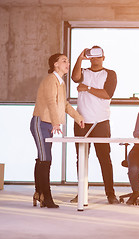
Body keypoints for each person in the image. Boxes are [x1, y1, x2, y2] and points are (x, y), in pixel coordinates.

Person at [30, 53, 84, 208]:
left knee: (44, 158)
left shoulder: (60, 83)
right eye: (64, 61)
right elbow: (51, 103)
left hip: (49, 124)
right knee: (45, 158)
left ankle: (39, 193)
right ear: (55, 64)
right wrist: (56, 123)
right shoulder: (50, 80)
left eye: (67, 61)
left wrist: (78, 117)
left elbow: (64, 104)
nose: (67, 63)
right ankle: (46, 198)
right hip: (40, 123)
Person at [71, 46, 119, 204]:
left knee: (104, 158)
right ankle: (82, 192)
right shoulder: (84, 72)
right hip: (82, 122)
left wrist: (88, 88)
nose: (95, 60)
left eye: (98, 57)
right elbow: (74, 77)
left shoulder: (110, 74)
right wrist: (80, 57)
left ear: (103, 58)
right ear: (89, 58)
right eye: (92, 57)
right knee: (81, 159)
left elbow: (107, 94)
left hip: (101, 122)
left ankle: (110, 194)